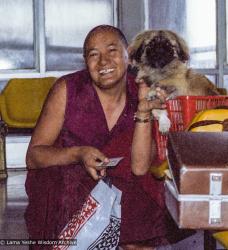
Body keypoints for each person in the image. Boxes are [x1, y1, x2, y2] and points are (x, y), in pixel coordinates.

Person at [25, 25, 193, 250]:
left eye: (112, 51)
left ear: (129, 55)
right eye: (93, 55)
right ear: (85, 61)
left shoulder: (143, 91)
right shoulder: (68, 89)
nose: (103, 62)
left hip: (124, 182)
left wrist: (143, 112)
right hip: (70, 182)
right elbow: (34, 156)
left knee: (142, 202)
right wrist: (79, 153)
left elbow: (141, 167)